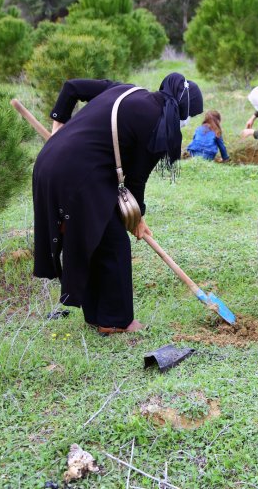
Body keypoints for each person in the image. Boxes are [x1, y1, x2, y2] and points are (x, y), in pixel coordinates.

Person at [33, 73, 203, 334]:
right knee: (114, 245)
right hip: (78, 176)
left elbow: (71, 87)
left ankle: (97, 316)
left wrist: (58, 129)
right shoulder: (158, 125)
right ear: (182, 111)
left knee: (95, 237)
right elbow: (136, 182)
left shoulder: (127, 90)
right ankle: (116, 321)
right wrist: (136, 218)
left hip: (49, 164)